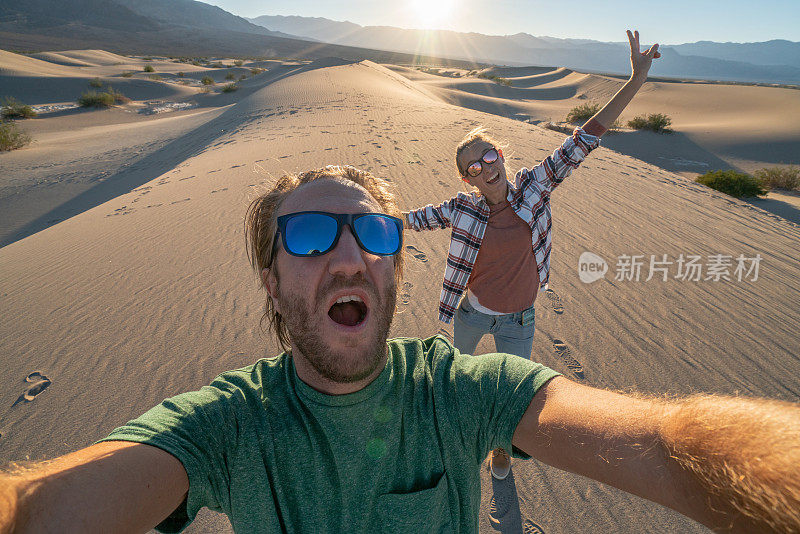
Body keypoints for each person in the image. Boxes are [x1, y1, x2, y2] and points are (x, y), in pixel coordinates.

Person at [1, 164, 799, 534]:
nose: (348, 257)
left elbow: (672, 445)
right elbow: (43, 512)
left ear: (395, 267)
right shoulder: (228, 425)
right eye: (310, 236)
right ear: (272, 282)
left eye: (374, 233)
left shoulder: (462, 390)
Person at [403, 30, 661, 480]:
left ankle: (499, 448)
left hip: (520, 319)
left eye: (488, 156)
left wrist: (636, 79)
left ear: (501, 155)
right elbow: (412, 219)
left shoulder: (535, 186)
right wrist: (357, 215)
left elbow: (583, 140)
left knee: (510, 395)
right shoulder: (462, 208)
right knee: (455, 378)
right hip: (473, 314)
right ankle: (449, 434)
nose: (485, 168)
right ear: (467, 180)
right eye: (473, 167)